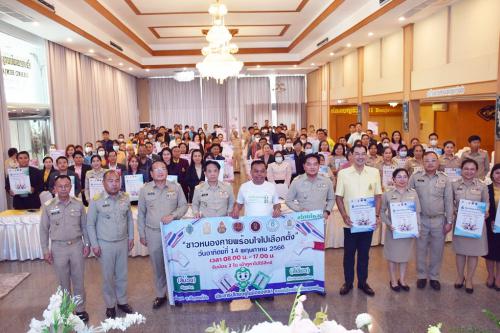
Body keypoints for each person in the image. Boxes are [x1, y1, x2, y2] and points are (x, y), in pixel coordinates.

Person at [137, 161, 188, 309]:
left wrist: (173, 215)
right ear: (151, 174)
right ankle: (161, 295)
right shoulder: (145, 190)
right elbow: (141, 214)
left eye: (163, 168)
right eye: (156, 169)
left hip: (173, 233)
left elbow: (184, 206)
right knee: (158, 265)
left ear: (167, 171)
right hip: (153, 233)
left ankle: (176, 293)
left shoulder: (176, 187)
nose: (160, 171)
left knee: (175, 264)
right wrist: (142, 234)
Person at [39, 175, 90, 322]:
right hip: (58, 248)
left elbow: (84, 226)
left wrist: (87, 244)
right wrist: (45, 250)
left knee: (79, 280)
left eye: (66, 185)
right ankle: (67, 310)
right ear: (54, 188)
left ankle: (80, 310)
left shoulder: (78, 204)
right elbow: (43, 230)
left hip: (76, 246)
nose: (63, 189)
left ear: (70, 187)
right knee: (63, 282)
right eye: (60, 186)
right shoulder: (48, 206)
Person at [335, 145, 382, 296]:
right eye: (357, 154)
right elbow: (339, 197)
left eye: (363, 154)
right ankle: (348, 283)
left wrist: (376, 215)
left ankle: (362, 282)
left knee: (364, 254)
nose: (360, 156)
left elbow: (378, 196)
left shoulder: (374, 172)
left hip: (367, 222)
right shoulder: (343, 173)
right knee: (349, 255)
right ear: (351, 156)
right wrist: (344, 216)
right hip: (350, 223)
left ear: (367, 156)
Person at [87, 170, 134, 318]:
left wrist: (131, 237)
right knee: (107, 277)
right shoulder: (96, 200)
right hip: (105, 244)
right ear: (103, 183)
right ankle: (110, 305)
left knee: (122, 275)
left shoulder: (125, 198)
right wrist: (94, 244)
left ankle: (122, 301)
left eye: (117, 181)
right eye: (110, 181)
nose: (114, 184)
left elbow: (129, 219)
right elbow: (90, 224)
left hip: (122, 242)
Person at [409, 151, 453, 291]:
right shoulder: (415, 177)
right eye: (427, 160)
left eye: (433, 160)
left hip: (439, 220)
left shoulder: (445, 179)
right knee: (420, 249)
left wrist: (449, 221)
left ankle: (434, 277)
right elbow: (408, 196)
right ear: (422, 162)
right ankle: (421, 276)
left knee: (437, 250)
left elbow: (448, 201)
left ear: (438, 162)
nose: (430, 163)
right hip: (421, 219)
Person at [452, 159, 489, 293]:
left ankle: (469, 279)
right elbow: (450, 202)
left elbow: (486, 202)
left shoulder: (482, 186)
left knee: (473, 253)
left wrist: (486, 212)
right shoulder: (455, 185)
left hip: (476, 225)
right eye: (466, 169)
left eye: (472, 169)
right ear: (461, 170)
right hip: (460, 224)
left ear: (476, 170)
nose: (469, 171)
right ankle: (460, 276)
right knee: (461, 252)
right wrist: (455, 211)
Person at [380, 168, 421, 292]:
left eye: (405, 176)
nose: (402, 179)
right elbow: (381, 212)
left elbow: (417, 212)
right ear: (393, 179)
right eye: (399, 177)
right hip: (393, 231)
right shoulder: (387, 194)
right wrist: (389, 224)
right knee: (392, 257)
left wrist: (418, 227)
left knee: (404, 257)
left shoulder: (413, 193)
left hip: (408, 231)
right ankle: (393, 280)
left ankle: (402, 280)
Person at [286, 154, 334, 220]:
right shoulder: (296, 181)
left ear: (319, 166)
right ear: (304, 166)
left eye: (315, 164)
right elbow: (288, 200)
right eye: (309, 164)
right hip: (303, 219)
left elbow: (331, 199)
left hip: (321, 218)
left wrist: (327, 211)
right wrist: (300, 209)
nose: (312, 167)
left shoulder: (327, 181)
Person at [485, 164, 500, 290]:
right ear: (492, 174)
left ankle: (499, 277)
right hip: (490, 225)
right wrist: (489, 219)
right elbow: (482, 207)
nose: (499, 176)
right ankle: (490, 275)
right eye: (497, 173)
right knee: (490, 252)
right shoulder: (486, 189)